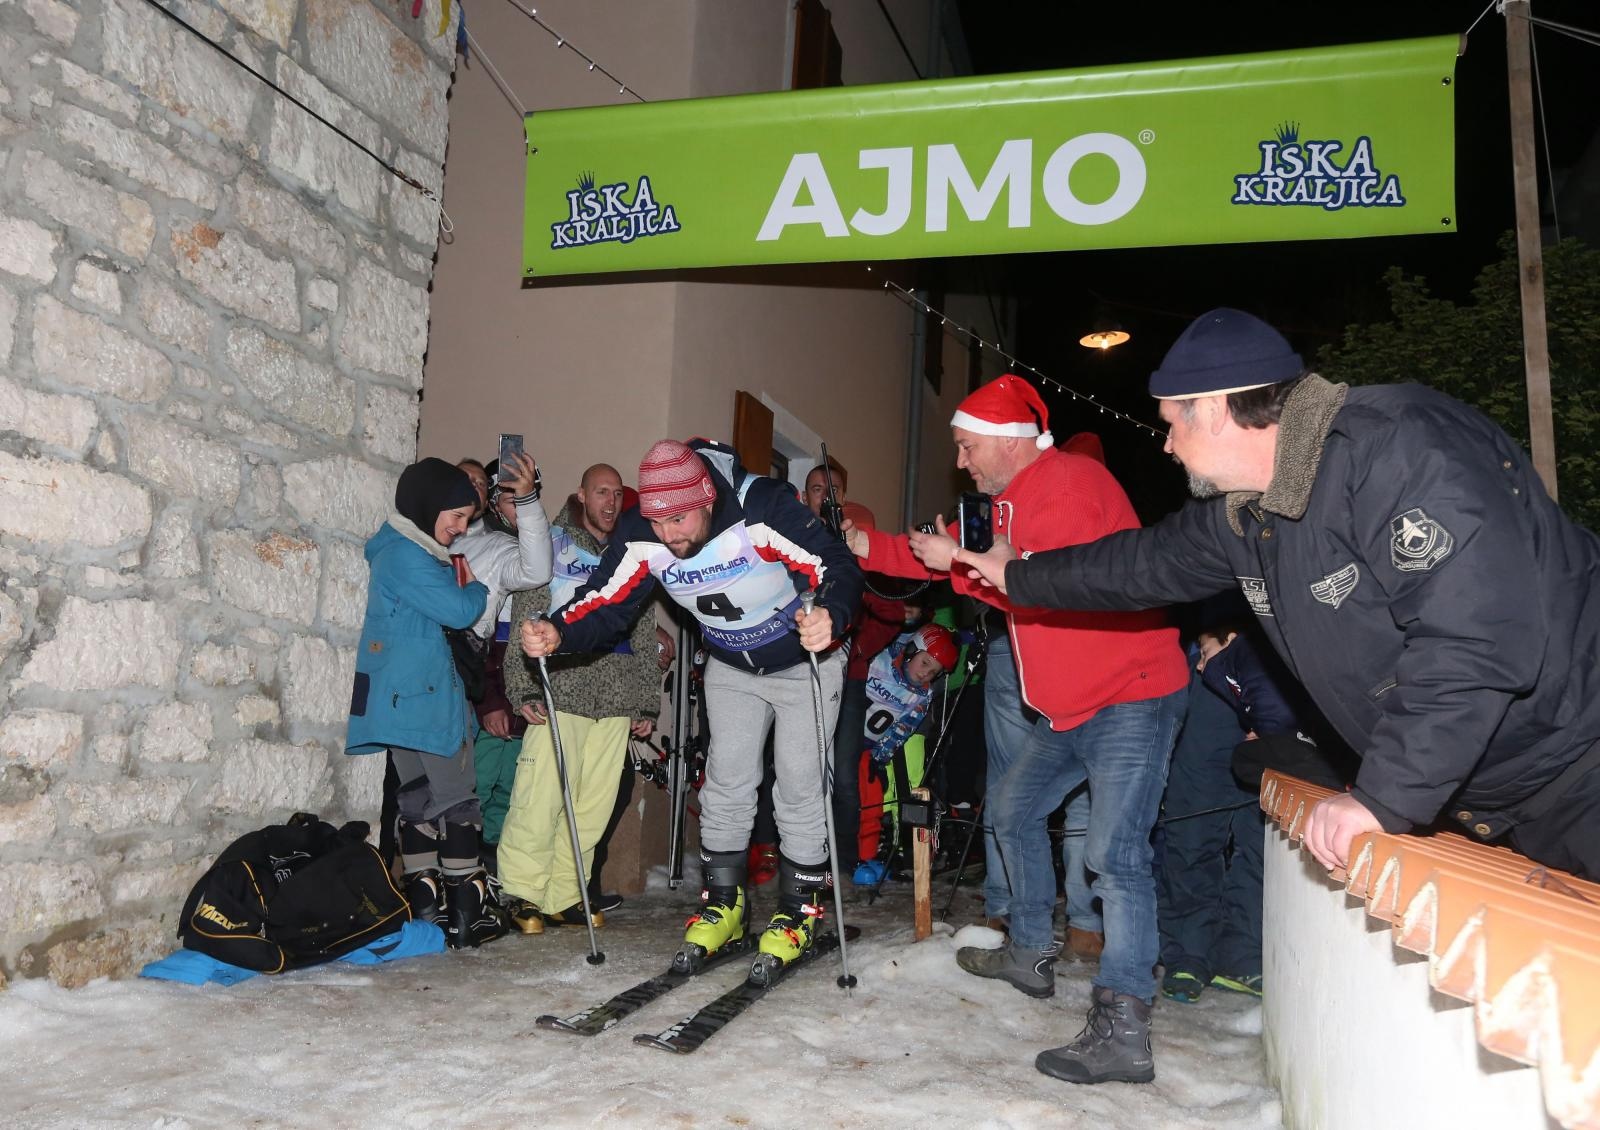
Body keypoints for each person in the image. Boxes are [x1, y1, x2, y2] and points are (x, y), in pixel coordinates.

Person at [954, 307, 1600, 884]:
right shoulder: (1246, 514)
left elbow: (1475, 639)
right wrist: (1018, 575)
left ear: (1210, 407)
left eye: (1172, 423)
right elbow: (1138, 563)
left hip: (1581, 765)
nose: (1167, 443)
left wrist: (1383, 798)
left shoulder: (1400, 450)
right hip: (1497, 798)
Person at [843, 378, 1189, 1087]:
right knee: (1012, 809)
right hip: (1068, 709)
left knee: (1115, 855)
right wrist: (866, 543)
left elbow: (1049, 580)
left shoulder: (1070, 482)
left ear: (1006, 438)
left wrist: (965, 563)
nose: (962, 461)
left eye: (967, 446)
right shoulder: (999, 501)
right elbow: (943, 557)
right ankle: (1030, 953)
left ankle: (1124, 1026)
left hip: (1131, 694)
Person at [522, 439, 863, 968]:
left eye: (680, 520)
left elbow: (834, 561)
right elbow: (604, 599)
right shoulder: (643, 533)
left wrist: (832, 615)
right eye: (659, 523)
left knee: (798, 782)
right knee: (726, 781)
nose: (670, 536)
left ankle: (799, 910)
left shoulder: (759, 508)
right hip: (731, 663)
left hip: (804, 660)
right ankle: (723, 904)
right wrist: (557, 631)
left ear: (706, 497)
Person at [345, 458, 507, 949]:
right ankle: (466, 913)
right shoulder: (408, 555)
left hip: (402, 702)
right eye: (456, 516)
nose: (461, 529)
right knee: (458, 799)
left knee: (417, 800)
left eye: (466, 519)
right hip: (426, 698)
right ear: (428, 504)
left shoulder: (397, 549)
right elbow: (461, 609)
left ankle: (427, 911)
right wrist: (475, 582)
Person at [498, 464, 660, 931]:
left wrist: (645, 701)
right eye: (601, 492)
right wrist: (522, 687)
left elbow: (645, 628)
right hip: (559, 692)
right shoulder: (551, 543)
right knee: (539, 799)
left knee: (591, 809)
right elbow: (526, 616)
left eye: (617, 494)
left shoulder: (636, 551)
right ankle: (522, 892)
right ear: (581, 496)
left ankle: (565, 894)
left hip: (614, 698)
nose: (610, 502)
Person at [453, 452, 553, 869]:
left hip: (502, 680)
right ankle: (456, 876)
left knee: (505, 784)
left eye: (526, 497)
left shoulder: (511, 546)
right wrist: (492, 698)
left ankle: (489, 873)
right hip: (460, 677)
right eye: (509, 497)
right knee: (461, 784)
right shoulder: (451, 541)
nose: (519, 505)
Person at [851, 624, 958, 884]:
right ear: (911, 651)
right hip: (844, 740)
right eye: (924, 663)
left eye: (933, 672)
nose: (925, 674)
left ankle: (866, 857)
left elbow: (901, 729)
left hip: (869, 749)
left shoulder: (922, 696)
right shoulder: (880, 660)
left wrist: (880, 757)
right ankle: (842, 857)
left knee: (872, 799)